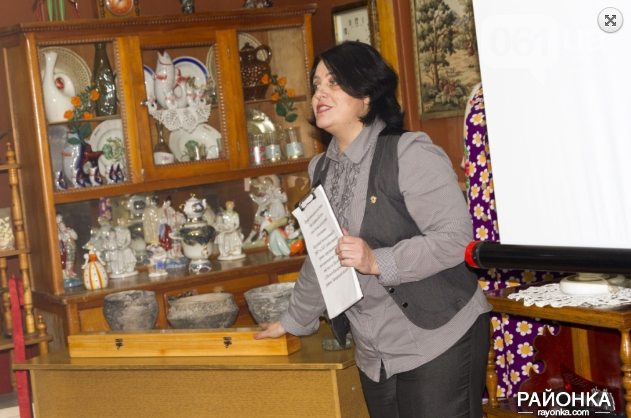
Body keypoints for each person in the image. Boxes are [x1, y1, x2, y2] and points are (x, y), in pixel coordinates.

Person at [254, 41, 492, 418]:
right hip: (374, 354)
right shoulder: (320, 168)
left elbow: (456, 239)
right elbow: (323, 258)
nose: (319, 93)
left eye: (334, 82)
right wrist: (292, 321)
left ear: (366, 95)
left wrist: (377, 261)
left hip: (439, 338)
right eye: (316, 85)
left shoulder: (410, 152)